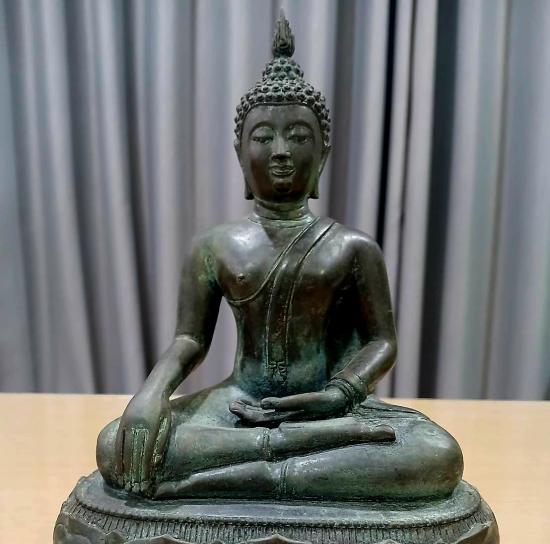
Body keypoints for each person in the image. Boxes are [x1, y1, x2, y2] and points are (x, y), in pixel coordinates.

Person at [97, 14, 462, 502]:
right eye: (264, 136)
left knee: (438, 456)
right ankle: (285, 459)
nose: (282, 151)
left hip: (326, 410)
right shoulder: (214, 246)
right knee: (116, 447)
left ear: (324, 153)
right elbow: (190, 339)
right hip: (237, 404)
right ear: (240, 153)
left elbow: (381, 340)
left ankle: (243, 473)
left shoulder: (352, 248)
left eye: (299, 136)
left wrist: (338, 395)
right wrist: (150, 395)